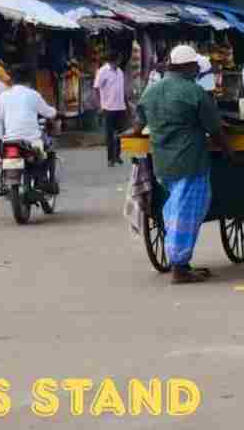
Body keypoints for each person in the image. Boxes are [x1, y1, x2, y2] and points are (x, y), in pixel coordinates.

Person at [135, 44, 235, 284]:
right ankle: (179, 267)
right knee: (186, 214)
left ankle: (181, 262)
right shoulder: (194, 93)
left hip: (162, 164)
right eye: (195, 68)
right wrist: (229, 152)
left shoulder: (150, 93)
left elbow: (138, 126)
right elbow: (216, 129)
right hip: (190, 162)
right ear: (188, 67)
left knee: (172, 211)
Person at [0, 62, 57, 156]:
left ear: (12, 79)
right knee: (45, 154)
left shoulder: (3, 95)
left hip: (10, 140)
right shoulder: (33, 94)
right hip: (32, 140)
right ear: (29, 80)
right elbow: (49, 113)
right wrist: (55, 111)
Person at [94, 54, 129, 168]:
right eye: (119, 59)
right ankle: (110, 158)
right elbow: (96, 88)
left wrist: (127, 104)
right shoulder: (102, 71)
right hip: (108, 107)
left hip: (120, 107)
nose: (120, 61)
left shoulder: (120, 72)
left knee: (120, 133)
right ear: (115, 60)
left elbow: (122, 90)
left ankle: (117, 155)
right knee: (109, 134)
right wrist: (100, 105)